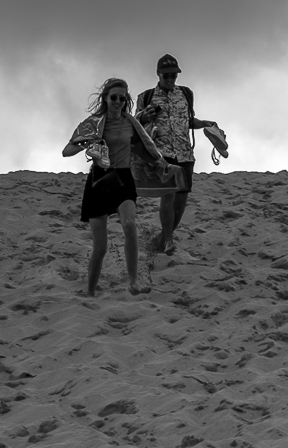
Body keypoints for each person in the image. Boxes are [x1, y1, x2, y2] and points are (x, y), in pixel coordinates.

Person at [63, 77, 168, 297]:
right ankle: (90, 292)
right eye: (114, 97)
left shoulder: (130, 122)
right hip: (100, 180)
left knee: (130, 224)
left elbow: (140, 149)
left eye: (122, 98)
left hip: (123, 177)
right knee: (100, 247)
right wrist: (86, 143)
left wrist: (157, 162)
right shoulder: (94, 122)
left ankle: (133, 283)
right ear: (106, 98)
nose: (118, 101)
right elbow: (67, 151)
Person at [134, 54, 218, 255]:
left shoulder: (186, 94)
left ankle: (162, 239)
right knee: (168, 194)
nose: (171, 79)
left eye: (174, 75)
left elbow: (188, 121)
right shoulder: (145, 97)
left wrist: (206, 124)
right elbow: (135, 125)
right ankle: (169, 241)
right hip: (162, 153)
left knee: (181, 200)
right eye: (167, 76)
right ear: (158, 74)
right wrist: (143, 116)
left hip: (185, 153)